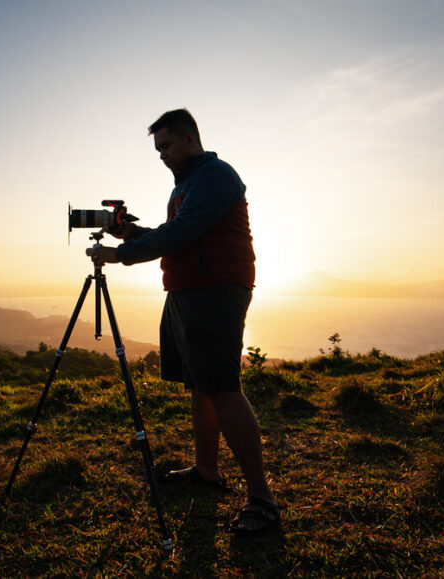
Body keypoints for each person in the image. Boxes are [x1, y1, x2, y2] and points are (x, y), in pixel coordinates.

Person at [90, 108, 279, 536]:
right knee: (200, 385)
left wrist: (120, 255)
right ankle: (206, 470)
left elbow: (184, 232)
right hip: (187, 291)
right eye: (158, 149)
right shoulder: (189, 184)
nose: (161, 156)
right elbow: (176, 231)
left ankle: (261, 499)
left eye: (167, 146)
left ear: (190, 137)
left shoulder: (215, 176)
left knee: (223, 388)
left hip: (214, 291)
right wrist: (132, 234)